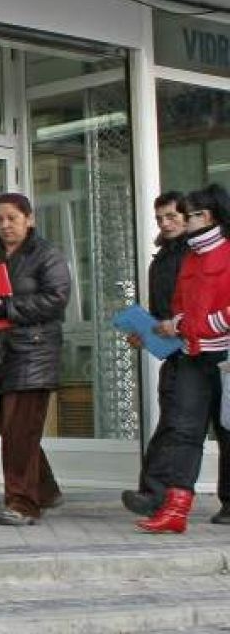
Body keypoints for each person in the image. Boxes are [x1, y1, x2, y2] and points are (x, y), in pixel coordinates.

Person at [0, 192, 71, 526]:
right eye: (0, 219)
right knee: (14, 431)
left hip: (33, 352)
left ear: (29, 219)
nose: (5, 225)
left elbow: (56, 299)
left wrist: (8, 306)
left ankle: (22, 503)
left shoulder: (46, 254)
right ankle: (46, 490)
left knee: (19, 431)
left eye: (13, 218)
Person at [122, 193, 229, 520]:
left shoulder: (220, 251)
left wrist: (201, 324)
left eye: (177, 216)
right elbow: (174, 306)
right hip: (186, 352)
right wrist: (158, 329)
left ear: (203, 216)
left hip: (222, 353)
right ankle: (167, 503)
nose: (168, 223)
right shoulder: (175, 259)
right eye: (160, 219)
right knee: (180, 427)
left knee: (226, 428)